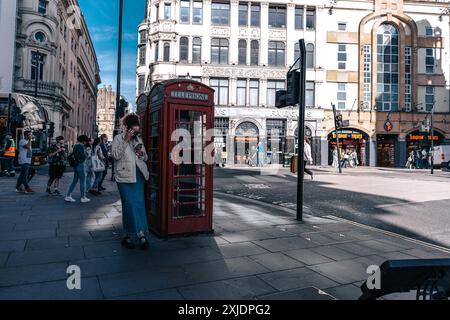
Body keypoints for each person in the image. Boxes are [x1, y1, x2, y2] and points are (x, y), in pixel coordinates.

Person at [112, 113, 150, 250]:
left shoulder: (138, 139)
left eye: (137, 130)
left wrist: (141, 154)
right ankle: (127, 235)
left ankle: (141, 234)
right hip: (124, 177)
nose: (135, 133)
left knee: (139, 205)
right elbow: (115, 155)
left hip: (138, 176)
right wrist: (126, 140)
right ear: (127, 128)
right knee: (129, 206)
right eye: (133, 130)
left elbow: (145, 157)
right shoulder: (118, 138)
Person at [65, 135, 90, 203]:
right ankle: (83, 197)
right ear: (84, 141)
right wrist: (86, 153)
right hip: (80, 164)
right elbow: (83, 156)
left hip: (76, 165)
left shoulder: (76, 145)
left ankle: (68, 195)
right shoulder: (81, 146)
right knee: (82, 181)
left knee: (75, 181)